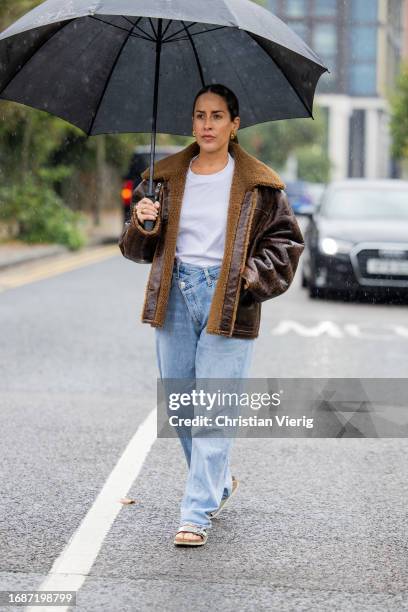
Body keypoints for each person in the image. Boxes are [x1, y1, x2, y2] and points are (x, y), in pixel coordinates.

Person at [118, 83, 304, 547]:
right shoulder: (162, 178)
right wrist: (142, 224)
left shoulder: (261, 184)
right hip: (175, 297)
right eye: (200, 115)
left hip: (229, 298)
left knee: (214, 410)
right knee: (181, 408)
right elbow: (137, 251)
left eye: (217, 116)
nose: (206, 124)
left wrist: (247, 279)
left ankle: (195, 514)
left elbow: (286, 243)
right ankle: (217, 485)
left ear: (234, 124)